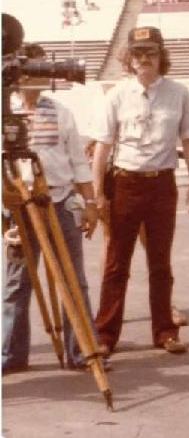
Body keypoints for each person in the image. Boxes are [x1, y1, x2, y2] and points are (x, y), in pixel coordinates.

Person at [91, 26, 189, 356]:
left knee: (160, 263)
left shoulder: (178, 93)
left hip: (161, 184)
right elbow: (102, 147)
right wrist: (98, 192)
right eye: (137, 53)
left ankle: (165, 331)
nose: (144, 60)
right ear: (129, 58)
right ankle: (106, 334)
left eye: (150, 53)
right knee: (116, 263)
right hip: (124, 183)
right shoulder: (116, 95)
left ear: (161, 56)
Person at [2, 39, 107, 373]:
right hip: (18, 205)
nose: (31, 77)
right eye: (26, 70)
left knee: (73, 279)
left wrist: (90, 202)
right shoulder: (5, 111)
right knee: (17, 283)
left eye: (38, 70)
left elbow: (78, 162)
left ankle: (82, 351)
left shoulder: (60, 112)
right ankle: (11, 354)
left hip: (58, 201)